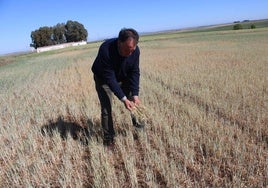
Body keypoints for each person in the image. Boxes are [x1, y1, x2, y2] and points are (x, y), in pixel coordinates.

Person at [91, 28, 142, 146]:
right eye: (126, 50)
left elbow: (134, 71)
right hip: (103, 78)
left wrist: (135, 94)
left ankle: (140, 130)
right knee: (106, 108)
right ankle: (109, 138)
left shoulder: (134, 51)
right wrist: (124, 99)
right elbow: (110, 78)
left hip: (123, 76)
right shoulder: (106, 49)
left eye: (132, 50)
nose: (129, 54)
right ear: (119, 42)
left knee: (135, 103)